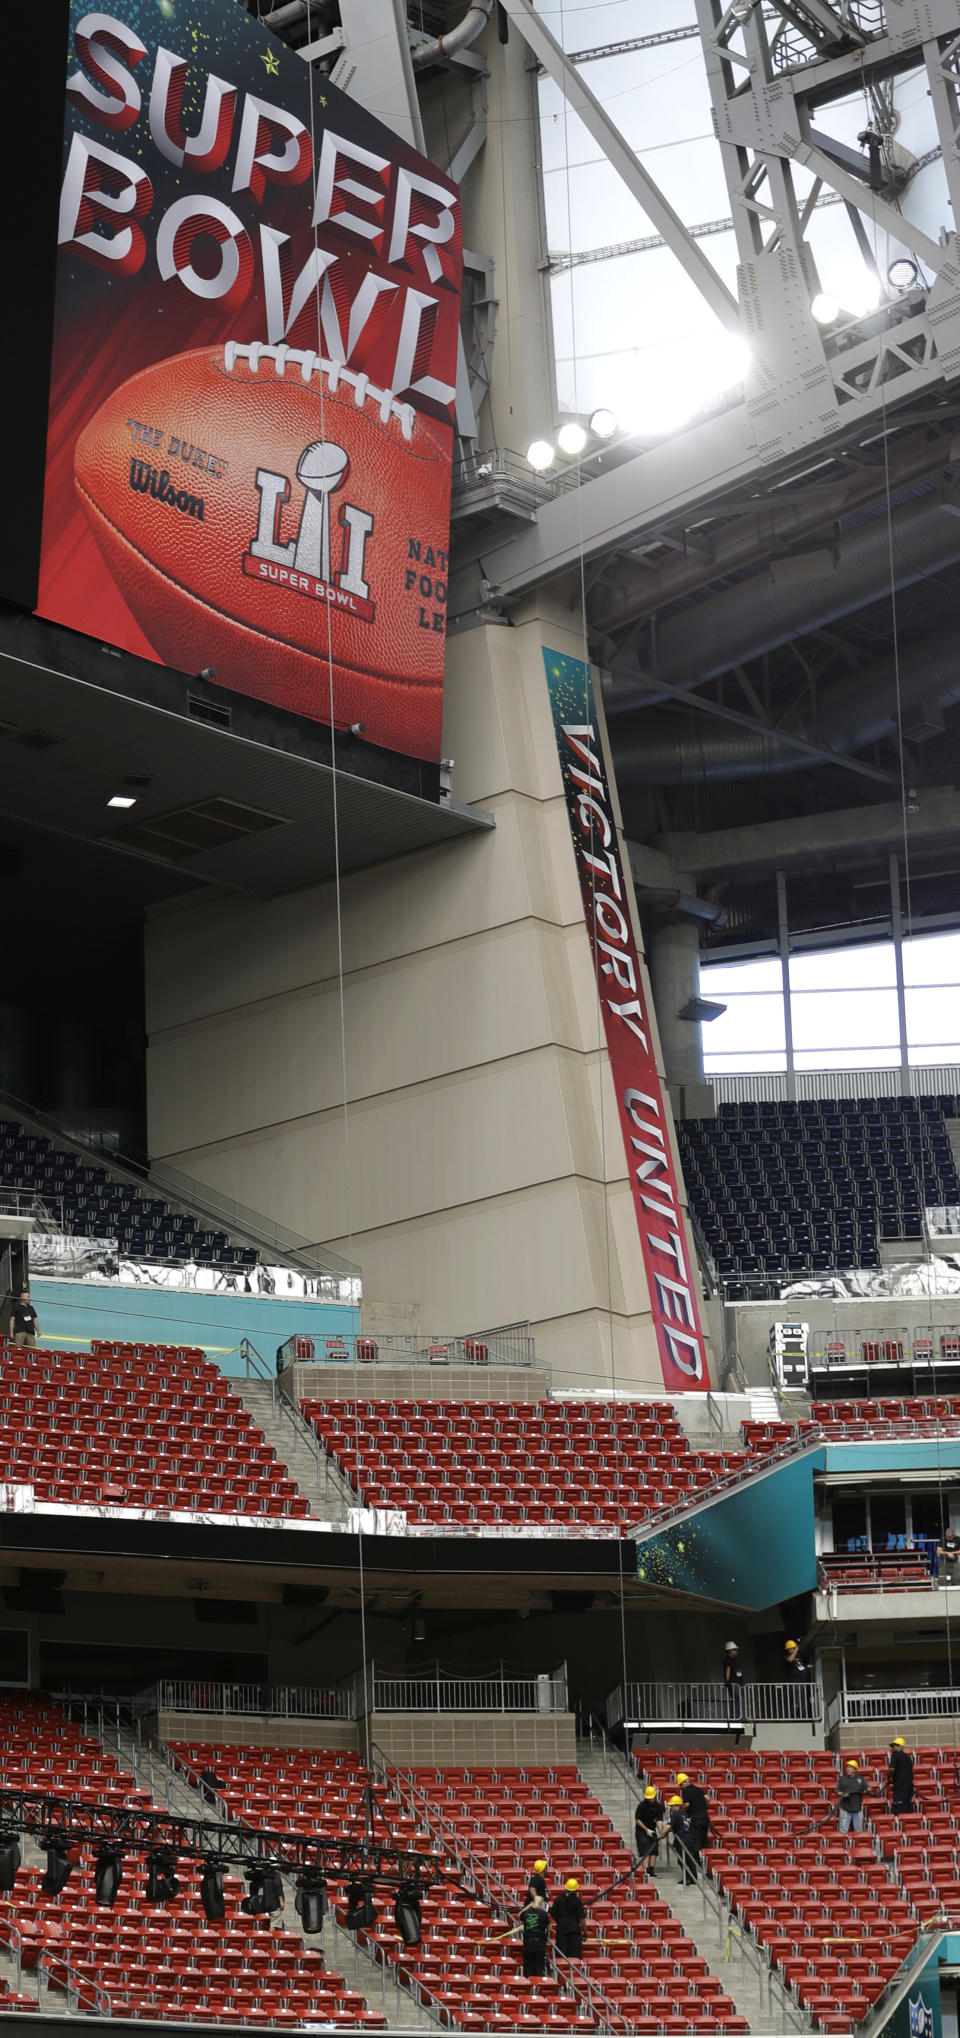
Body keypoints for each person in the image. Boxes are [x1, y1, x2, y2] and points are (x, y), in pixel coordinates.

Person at [666, 1795, 702, 1885]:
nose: (670, 1808)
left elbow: (668, 1826)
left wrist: (660, 1835)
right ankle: (693, 1878)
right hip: (689, 1839)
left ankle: (688, 1878)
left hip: (682, 1841)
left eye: (672, 1806)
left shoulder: (675, 1815)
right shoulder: (683, 1814)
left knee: (682, 1860)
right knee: (690, 1859)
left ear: (676, 1806)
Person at [550, 1878, 586, 1959]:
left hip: (561, 1930)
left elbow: (552, 1912)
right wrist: (585, 1932)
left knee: (561, 1957)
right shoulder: (577, 1901)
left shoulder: (558, 1900)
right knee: (574, 1958)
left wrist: (559, 1920)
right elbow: (582, 1919)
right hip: (574, 1931)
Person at [635, 1785, 665, 1875]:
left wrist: (660, 1831)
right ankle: (645, 1870)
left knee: (654, 1849)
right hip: (642, 1830)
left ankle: (651, 1870)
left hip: (652, 1829)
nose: (650, 1800)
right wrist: (646, 1829)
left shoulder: (658, 1807)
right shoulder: (642, 1806)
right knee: (645, 1848)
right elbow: (638, 1820)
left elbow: (659, 1820)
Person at [518, 1891, 550, 1977]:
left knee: (528, 1966)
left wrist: (530, 1905)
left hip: (528, 1943)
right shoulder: (543, 1914)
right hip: (540, 1943)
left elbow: (520, 1914)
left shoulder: (526, 1913)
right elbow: (549, 1928)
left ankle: (529, 1984)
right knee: (539, 1966)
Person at [837, 1758, 869, 1835]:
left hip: (857, 1808)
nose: (848, 1769)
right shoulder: (842, 1779)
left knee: (858, 1831)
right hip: (845, 1808)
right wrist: (842, 1794)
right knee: (843, 1831)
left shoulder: (861, 1779)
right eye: (847, 1767)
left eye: (850, 1767)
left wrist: (869, 1789)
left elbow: (868, 1788)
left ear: (855, 1770)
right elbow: (838, 1791)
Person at [888, 1738, 914, 1813]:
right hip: (909, 1786)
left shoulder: (895, 1755)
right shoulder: (907, 1757)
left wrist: (888, 1777)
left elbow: (892, 1769)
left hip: (900, 1786)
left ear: (899, 1747)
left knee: (899, 1807)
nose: (891, 1748)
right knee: (907, 1806)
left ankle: (900, 1823)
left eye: (893, 1746)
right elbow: (912, 1770)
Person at [723, 1641, 744, 1719]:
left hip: (738, 1683)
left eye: (736, 1650)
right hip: (733, 1683)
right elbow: (727, 1671)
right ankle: (735, 1716)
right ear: (730, 1650)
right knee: (740, 1699)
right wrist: (728, 1681)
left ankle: (735, 1715)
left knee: (738, 1699)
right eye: (734, 1649)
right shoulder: (728, 1659)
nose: (736, 1651)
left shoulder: (734, 1659)